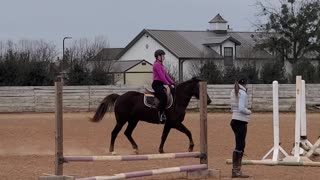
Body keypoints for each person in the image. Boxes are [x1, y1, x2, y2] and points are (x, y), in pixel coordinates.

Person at [230, 77, 251, 178]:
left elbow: (232, 108)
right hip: (241, 121)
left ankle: (236, 170)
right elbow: (242, 108)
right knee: (240, 145)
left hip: (234, 120)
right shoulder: (242, 93)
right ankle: (236, 170)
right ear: (245, 84)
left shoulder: (233, 91)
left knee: (240, 144)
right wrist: (249, 112)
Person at [152, 49, 174, 123]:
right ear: (158, 57)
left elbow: (166, 76)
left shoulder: (161, 65)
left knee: (169, 94)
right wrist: (168, 84)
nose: (164, 57)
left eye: (164, 56)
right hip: (156, 84)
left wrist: (173, 83)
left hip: (161, 84)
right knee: (164, 97)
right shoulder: (156, 65)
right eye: (163, 56)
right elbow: (162, 77)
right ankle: (161, 114)